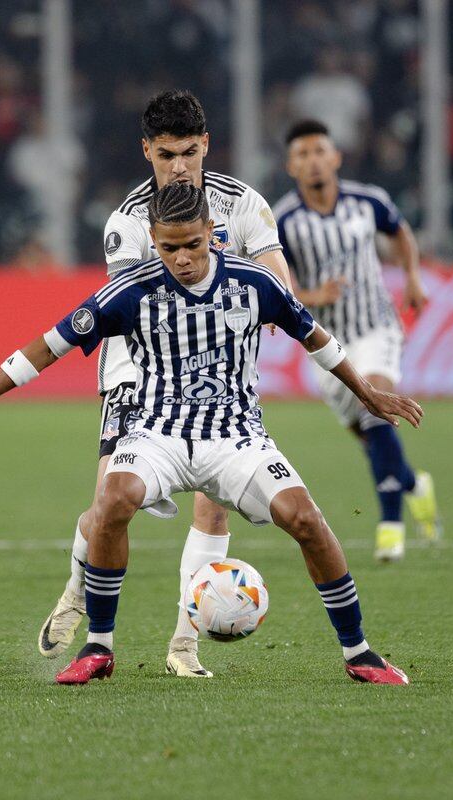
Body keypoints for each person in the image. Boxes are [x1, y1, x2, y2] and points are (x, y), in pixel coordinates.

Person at [0, 182, 418, 686]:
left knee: (306, 519)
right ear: (154, 240)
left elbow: (315, 337)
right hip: (156, 433)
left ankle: (359, 653)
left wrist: (367, 393)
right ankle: (99, 647)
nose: (181, 259)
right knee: (112, 499)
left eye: (192, 245)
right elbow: (48, 345)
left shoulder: (254, 283)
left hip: (236, 436)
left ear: (212, 232)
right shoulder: (129, 291)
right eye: (168, 247)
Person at [36, 90, 295, 679]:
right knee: (108, 507)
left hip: (222, 377)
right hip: (139, 373)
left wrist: (275, 299)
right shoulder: (128, 221)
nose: (178, 167)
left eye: (188, 153)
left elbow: (276, 274)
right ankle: (77, 590)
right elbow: (135, 304)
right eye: (165, 155)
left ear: (205, 145)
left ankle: (184, 644)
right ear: (146, 151)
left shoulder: (243, 204)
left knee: (214, 511)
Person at [274, 120, 440, 562]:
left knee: (376, 405)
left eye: (319, 151)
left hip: (376, 326)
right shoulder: (283, 221)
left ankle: (390, 527)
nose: (313, 161)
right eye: (303, 154)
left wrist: (412, 275)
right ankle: (413, 485)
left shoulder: (369, 201)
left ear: (335, 157)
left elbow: (400, 232)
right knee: (370, 435)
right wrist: (315, 296)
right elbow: (279, 284)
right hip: (326, 345)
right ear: (291, 166)